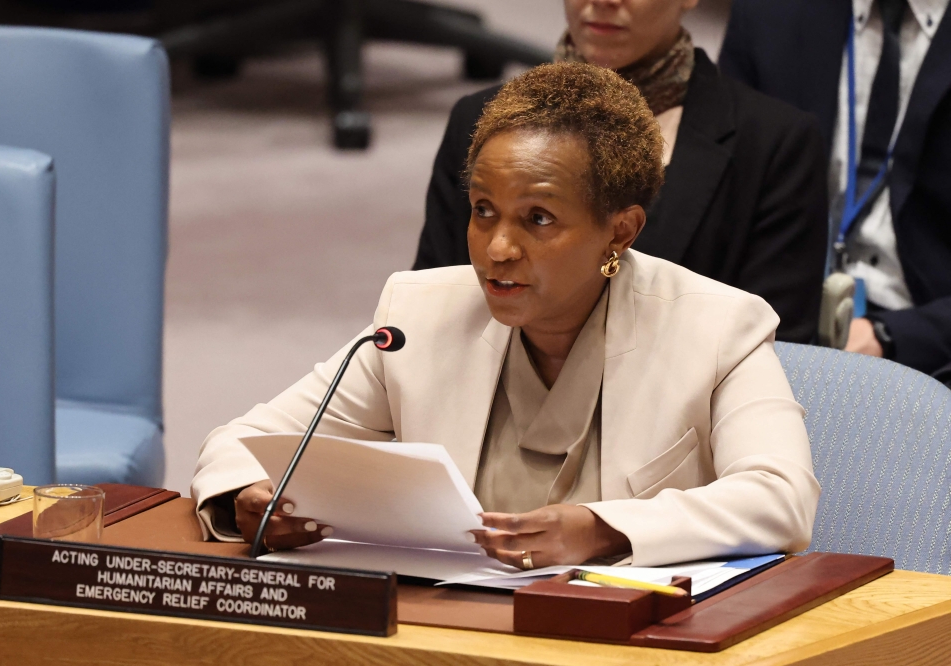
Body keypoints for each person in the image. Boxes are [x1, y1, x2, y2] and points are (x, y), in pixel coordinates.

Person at [192, 63, 819, 568]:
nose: (497, 249)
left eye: (538, 219)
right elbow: (242, 443)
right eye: (484, 209)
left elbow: (780, 498)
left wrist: (602, 529)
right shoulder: (417, 315)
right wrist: (250, 499)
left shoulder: (718, 327)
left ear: (620, 231)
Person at [412, 0, 829, 344]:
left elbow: (778, 349)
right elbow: (435, 312)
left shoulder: (775, 142)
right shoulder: (478, 119)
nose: (604, 2)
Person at [719, 0, 951, 379]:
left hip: (929, 346)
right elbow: (724, 200)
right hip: (771, 321)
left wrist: (893, 335)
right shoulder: (770, 13)